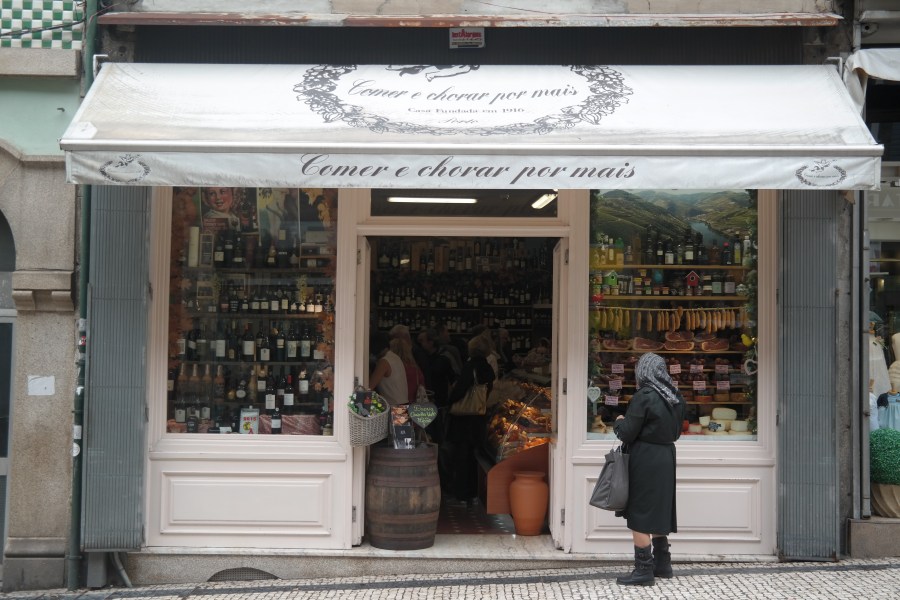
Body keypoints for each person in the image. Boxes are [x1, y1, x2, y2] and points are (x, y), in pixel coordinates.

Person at [613, 352, 684, 586]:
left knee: (640, 512)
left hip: (645, 457)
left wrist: (619, 421)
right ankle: (662, 564)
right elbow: (677, 432)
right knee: (659, 509)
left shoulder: (644, 396)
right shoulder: (675, 395)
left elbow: (626, 432)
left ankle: (643, 570)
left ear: (642, 372)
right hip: (666, 456)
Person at [445, 333, 497, 504]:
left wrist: (450, 400)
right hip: (479, 417)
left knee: (461, 454)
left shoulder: (471, 367)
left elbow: (460, 390)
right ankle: (473, 492)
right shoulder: (487, 368)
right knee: (473, 455)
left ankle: (461, 492)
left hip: (463, 418)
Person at [368, 331, 407, 406]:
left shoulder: (384, 362)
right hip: (402, 405)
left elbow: (369, 387)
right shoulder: (395, 357)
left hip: (394, 406)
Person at [390, 336, 425, 404]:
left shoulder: (390, 368)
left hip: (396, 405)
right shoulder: (415, 369)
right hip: (414, 406)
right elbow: (422, 387)